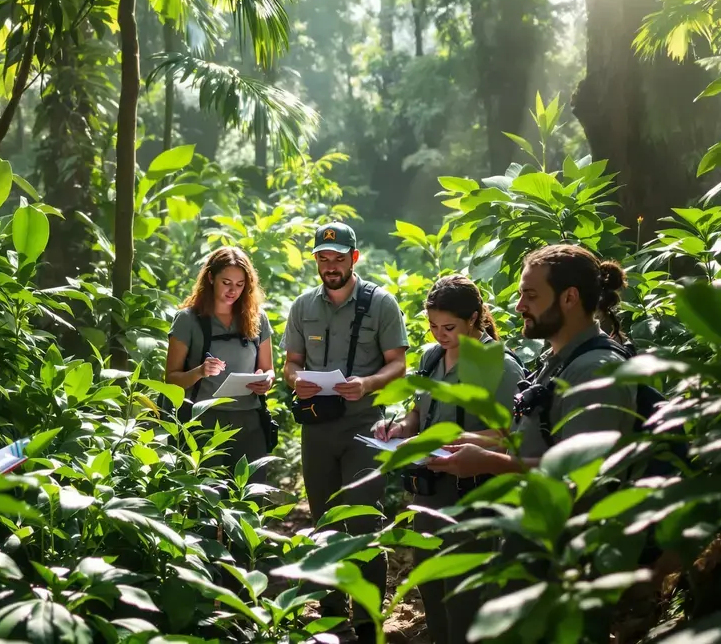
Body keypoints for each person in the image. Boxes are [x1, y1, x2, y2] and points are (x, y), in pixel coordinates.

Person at [371, 275, 525, 644]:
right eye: (433, 326)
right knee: (432, 586)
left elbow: (511, 436)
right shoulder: (432, 356)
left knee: (464, 595)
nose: (440, 335)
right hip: (428, 493)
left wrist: (454, 440)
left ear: (473, 318)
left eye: (449, 327)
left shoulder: (500, 366)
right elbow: (419, 412)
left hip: (473, 495)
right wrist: (400, 428)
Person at [282, 222, 409, 642]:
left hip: (364, 426)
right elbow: (291, 363)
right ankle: (332, 616)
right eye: (323, 258)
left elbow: (398, 364)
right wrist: (296, 379)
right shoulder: (303, 306)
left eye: (338, 258)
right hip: (316, 427)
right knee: (325, 521)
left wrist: (368, 383)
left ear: (354, 258)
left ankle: (369, 620)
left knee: (365, 520)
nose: (330, 266)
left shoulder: (381, 303)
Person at [425, 243, 636, 477]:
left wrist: (492, 463)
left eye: (531, 296)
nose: (519, 306)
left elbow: (584, 472)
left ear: (569, 298)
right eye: (520, 295)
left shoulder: (595, 371)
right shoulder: (559, 362)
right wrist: (458, 440)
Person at [165, 247, 274, 477]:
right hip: (203, 421)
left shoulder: (257, 318)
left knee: (251, 491)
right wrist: (200, 371)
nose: (233, 290)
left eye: (240, 284)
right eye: (226, 282)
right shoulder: (187, 320)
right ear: (211, 278)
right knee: (207, 492)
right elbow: (171, 379)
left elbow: (268, 369)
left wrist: (266, 381)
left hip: (249, 421)